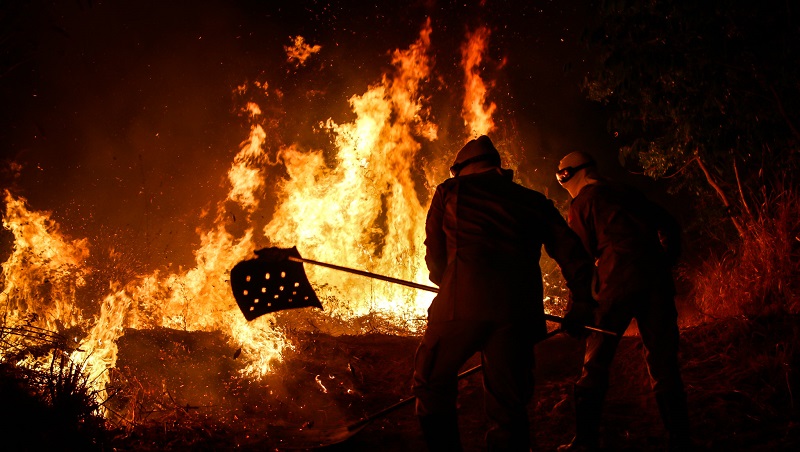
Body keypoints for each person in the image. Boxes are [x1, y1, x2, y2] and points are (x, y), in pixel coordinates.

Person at [412, 136, 596, 451]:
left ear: (461, 169)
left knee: (431, 383)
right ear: (498, 167)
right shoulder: (533, 200)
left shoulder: (450, 191)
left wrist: (452, 282)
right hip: (518, 314)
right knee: (509, 406)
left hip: (460, 305)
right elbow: (572, 252)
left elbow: (434, 258)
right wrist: (581, 302)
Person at [555, 151, 690, 451]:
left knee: (596, 362)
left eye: (560, 175)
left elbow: (579, 258)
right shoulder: (626, 191)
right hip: (655, 281)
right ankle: (680, 438)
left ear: (568, 175)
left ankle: (585, 442)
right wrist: (666, 258)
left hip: (616, 283)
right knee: (663, 361)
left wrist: (577, 307)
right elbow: (667, 222)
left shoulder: (584, 202)